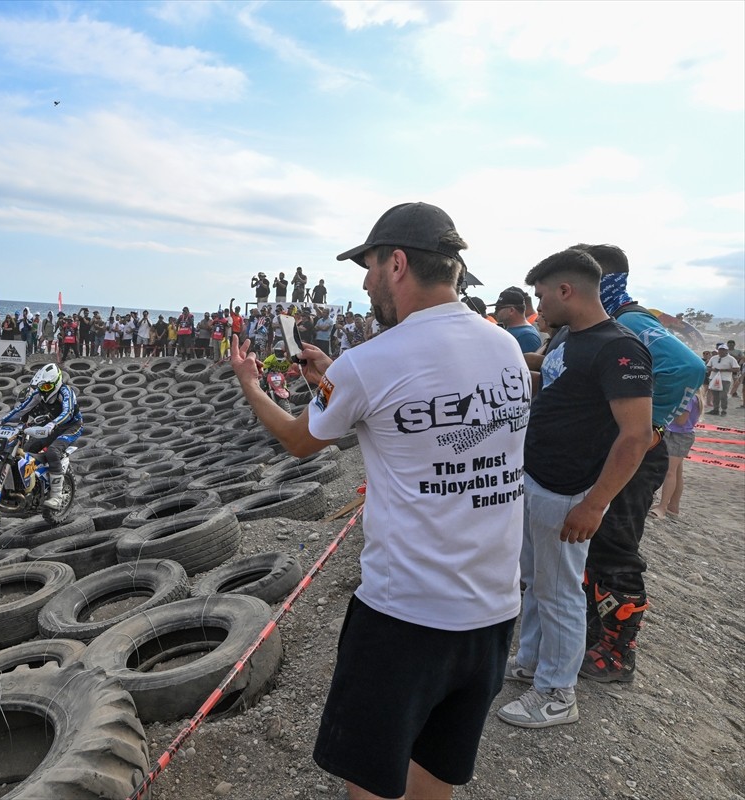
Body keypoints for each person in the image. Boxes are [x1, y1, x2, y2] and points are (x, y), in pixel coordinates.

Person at [231, 202, 528, 800]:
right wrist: (332, 377)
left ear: (397, 263)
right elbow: (412, 416)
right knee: (435, 779)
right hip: (492, 612)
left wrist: (251, 385)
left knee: (372, 784)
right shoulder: (505, 349)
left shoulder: (373, 362)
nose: (365, 283)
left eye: (367, 267)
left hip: (405, 616)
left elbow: (298, 441)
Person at [497, 248, 654, 731]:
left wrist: (594, 503)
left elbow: (636, 436)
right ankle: (532, 661)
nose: (538, 307)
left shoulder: (619, 348)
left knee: (562, 590)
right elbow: (560, 383)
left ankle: (557, 694)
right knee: (535, 579)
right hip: (539, 477)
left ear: (567, 290)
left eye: (542, 296)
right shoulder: (570, 336)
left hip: (571, 490)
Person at [574, 243, 706, 684]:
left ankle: (616, 652)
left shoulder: (630, 322)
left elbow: (687, 366)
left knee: (614, 545)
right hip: (621, 452)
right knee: (595, 543)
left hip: (636, 455)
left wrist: (650, 427)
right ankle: (596, 635)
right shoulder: (616, 324)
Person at [0, 363, 82, 510]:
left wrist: (52, 424)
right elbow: (22, 409)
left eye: (46, 387)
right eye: (40, 387)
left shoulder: (66, 392)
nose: (43, 391)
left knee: (52, 451)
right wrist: (2, 421)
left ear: (56, 383)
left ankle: (56, 495)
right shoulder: (38, 394)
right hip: (51, 427)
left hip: (70, 427)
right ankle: (31, 484)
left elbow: (68, 412)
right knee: (26, 449)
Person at [651, 392, 701, 519]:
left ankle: (663, 507)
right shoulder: (691, 396)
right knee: (677, 472)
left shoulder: (687, 397)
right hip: (676, 433)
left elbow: (681, 420)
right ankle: (673, 506)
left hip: (678, 435)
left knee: (670, 472)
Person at [493, 289, 542, 353]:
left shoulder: (527, 336)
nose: (495, 312)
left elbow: (529, 362)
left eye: (498, 308)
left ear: (511, 310)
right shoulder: (518, 332)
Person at [705, 342, 739, 416]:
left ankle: (724, 410)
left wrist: (724, 370)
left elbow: (737, 369)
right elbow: (707, 367)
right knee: (715, 395)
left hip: (725, 379)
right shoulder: (714, 358)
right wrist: (712, 369)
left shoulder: (731, 359)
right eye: (720, 349)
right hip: (713, 378)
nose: (721, 351)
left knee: (723, 395)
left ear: (727, 351)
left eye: (723, 350)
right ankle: (715, 409)